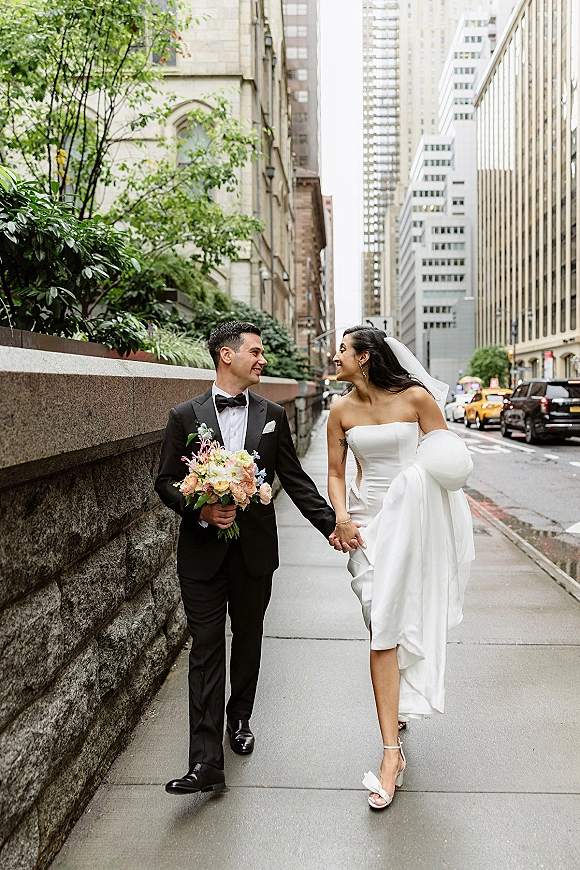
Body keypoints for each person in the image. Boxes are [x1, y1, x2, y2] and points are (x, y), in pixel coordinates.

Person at [155, 321, 358, 796]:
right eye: (256, 352)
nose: (262, 359)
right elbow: (165, 480)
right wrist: (201, 507)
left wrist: (332, 524)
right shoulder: (185, 415)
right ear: (227, 356)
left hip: (254, 554)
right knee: (205, 650)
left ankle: (239, 716)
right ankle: (205, 762)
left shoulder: (271, 414)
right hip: (201, 554)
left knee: (247, 641)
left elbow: (294, 476)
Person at [327, 326, 474, 810]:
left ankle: (391, 755)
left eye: (344, 349)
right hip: (365, 526)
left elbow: (450, 461)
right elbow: (334, 472)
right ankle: (396, 707)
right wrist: (342, 518)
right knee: (378, 617)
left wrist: (419, 481)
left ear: (365, 357)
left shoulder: (416, 398)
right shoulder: (340, 410)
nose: (337, 355)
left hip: (410, 523)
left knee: (384, 631)